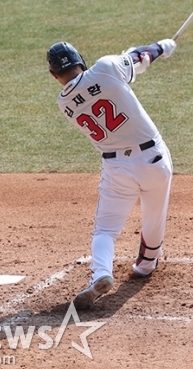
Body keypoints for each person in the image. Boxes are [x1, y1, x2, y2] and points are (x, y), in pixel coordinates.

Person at [46, 39, 176, 309]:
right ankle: (146, 264)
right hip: (154, 160)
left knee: (105, 230)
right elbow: (139, 56)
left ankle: (101, 272)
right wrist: (162, 47)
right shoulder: (105, 67)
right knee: (154, 216)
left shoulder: (64, 103)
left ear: (54, 75)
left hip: (116, 169)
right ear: (81, 59)